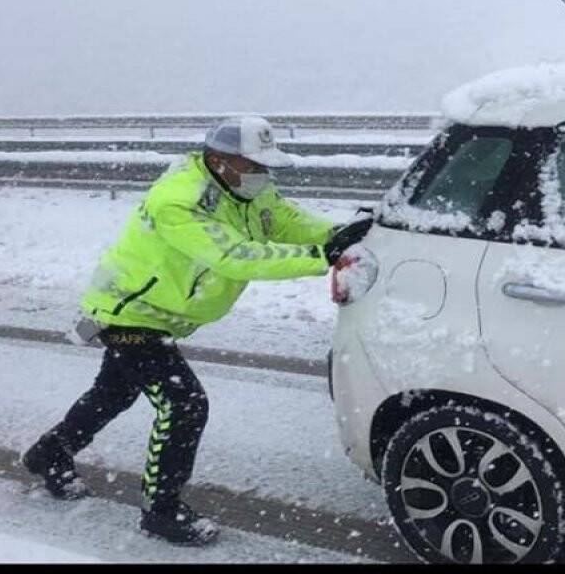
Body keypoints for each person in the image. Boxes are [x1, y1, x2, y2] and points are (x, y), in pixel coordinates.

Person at [22, 116, 358, 545]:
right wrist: (321, 255)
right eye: (253, 164)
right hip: (126, 316)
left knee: (114, 393)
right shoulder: (179, 201)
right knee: (184, 404)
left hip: (159, 317)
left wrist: (337, 233)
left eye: (265, 166)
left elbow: (286, 219)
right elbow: (235, 257)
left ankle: (48, 454)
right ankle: (160, 512)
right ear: (219, 160)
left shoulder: (244, 186)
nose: (262, 174)